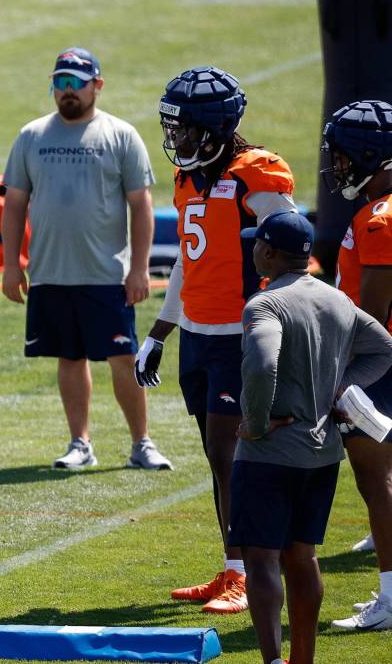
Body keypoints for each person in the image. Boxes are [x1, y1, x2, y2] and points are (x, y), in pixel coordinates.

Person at [136, 66, 298, 614]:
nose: (174, 137)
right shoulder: (190, 179)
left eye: (182, 128)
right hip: (201, 334)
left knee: (235, 457)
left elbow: (292, 253)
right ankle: (233, 567)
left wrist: (273, 325)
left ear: (212, 127)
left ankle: (252, 573)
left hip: (243, 335)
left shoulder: (257, 174)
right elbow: (189, 256)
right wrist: (161, 330)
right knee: (217, 455)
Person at [232, 210, 392, 664]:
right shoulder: (338, 299)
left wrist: (257, 423)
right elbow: (384, 348)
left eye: (255, 243)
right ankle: (303, 658)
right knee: (303, 555)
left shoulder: (263, 304)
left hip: (270, 453)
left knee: (262, 558)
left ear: (267, 251)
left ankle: (272, 662)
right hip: (322, 453)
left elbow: (262, 365)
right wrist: (341, 387)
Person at [1, 47, 169, 472]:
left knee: (124, 358)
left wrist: (138, 267)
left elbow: (141, 205)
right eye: (61, 82)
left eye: (76, 82)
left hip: (107, 273)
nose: (68, 91)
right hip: (50, 273)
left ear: (97, 85)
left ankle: (141, 444)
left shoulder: (121, 135)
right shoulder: (32, 136)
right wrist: (10, 264)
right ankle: (80, 443)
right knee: (69, 358)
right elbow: (14, 205)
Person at [321, 99, 392, 631]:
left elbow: (370, 314)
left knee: (376, 480)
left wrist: (337, 371)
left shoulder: (378, 218)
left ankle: (390, 598)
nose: (337, 167)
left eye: (344, 157)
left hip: (378, 366)